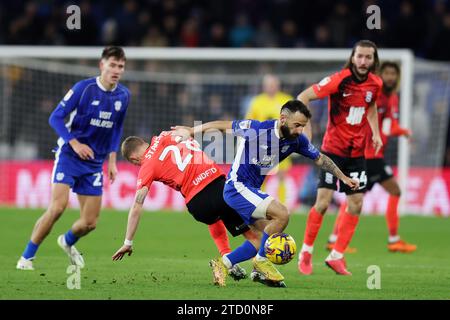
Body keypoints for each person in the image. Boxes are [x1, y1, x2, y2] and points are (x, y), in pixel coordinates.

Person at [172, 100, 359, 287]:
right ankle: (261, 262)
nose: (300, 131)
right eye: (297, 125)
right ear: (283, 119)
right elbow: (224, 126)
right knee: (282, 214)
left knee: (262, 239)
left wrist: (343, 178)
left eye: (303, 126)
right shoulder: (257, 129)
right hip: (237, 187)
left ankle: (224, 264)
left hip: (249, 191)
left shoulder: (297, 141)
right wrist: (191, 130)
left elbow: (320, 159)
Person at [17, 46, 130, 270]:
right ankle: (26, 257)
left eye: (121, 66)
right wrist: (74, 143)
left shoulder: (124, 95)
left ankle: (67, 242)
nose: (116, 70)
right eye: (112, 65)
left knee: (90, 223)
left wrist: (113, 160)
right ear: (102, 65)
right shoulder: (84, 88)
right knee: (58, 207)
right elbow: (55, 118)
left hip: (95, 162)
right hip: (69, 156)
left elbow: (116, 128)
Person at [112, 132, 260, 281]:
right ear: (143, 142)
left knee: (214, 218)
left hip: (197, 204)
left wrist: (128, 242)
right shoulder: (166, 135)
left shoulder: (147, 166)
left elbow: (137, 205)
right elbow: (190, 133)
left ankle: (227, 255)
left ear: (133, 159)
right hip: (218, 186)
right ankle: (246, 266)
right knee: (256, 237)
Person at [297, 40, 383, 276]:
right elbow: (303, 96)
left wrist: (375, 132)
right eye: (360, 56)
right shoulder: (339, 79)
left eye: (368, 57)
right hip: (332, 151)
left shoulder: (376, 83)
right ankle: (306, 252)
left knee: (356, 203)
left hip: (357, 154)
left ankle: (336, 256)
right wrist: (306, 130)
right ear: (352, 58)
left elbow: (371, 106)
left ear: (374, 61)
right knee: (323, 203)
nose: (364, 61)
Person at [326, 61, 416, 253]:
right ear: (380, 75)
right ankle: (392, 240)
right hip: (366, 155)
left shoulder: (392, 98)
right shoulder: (373, 95)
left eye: (394, 73)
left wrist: (400, 130)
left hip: (375, 155)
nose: (390, 77)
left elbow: (388, 127)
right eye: (387, 73)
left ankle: (336, 239)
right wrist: (404, 132)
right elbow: (384, 126)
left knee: (360, 196)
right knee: (378, 194)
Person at [245, 74, 294, 205]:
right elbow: (249, 121)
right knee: (261, 175)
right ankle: (261, 204)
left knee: (282, 175)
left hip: (281, 143)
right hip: (262, 145)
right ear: (264, 86)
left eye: (273, 84)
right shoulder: (257, 101)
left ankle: (284, 204)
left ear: (278, 85)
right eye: (268, 84)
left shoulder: (287, 100)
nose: (271, 87)